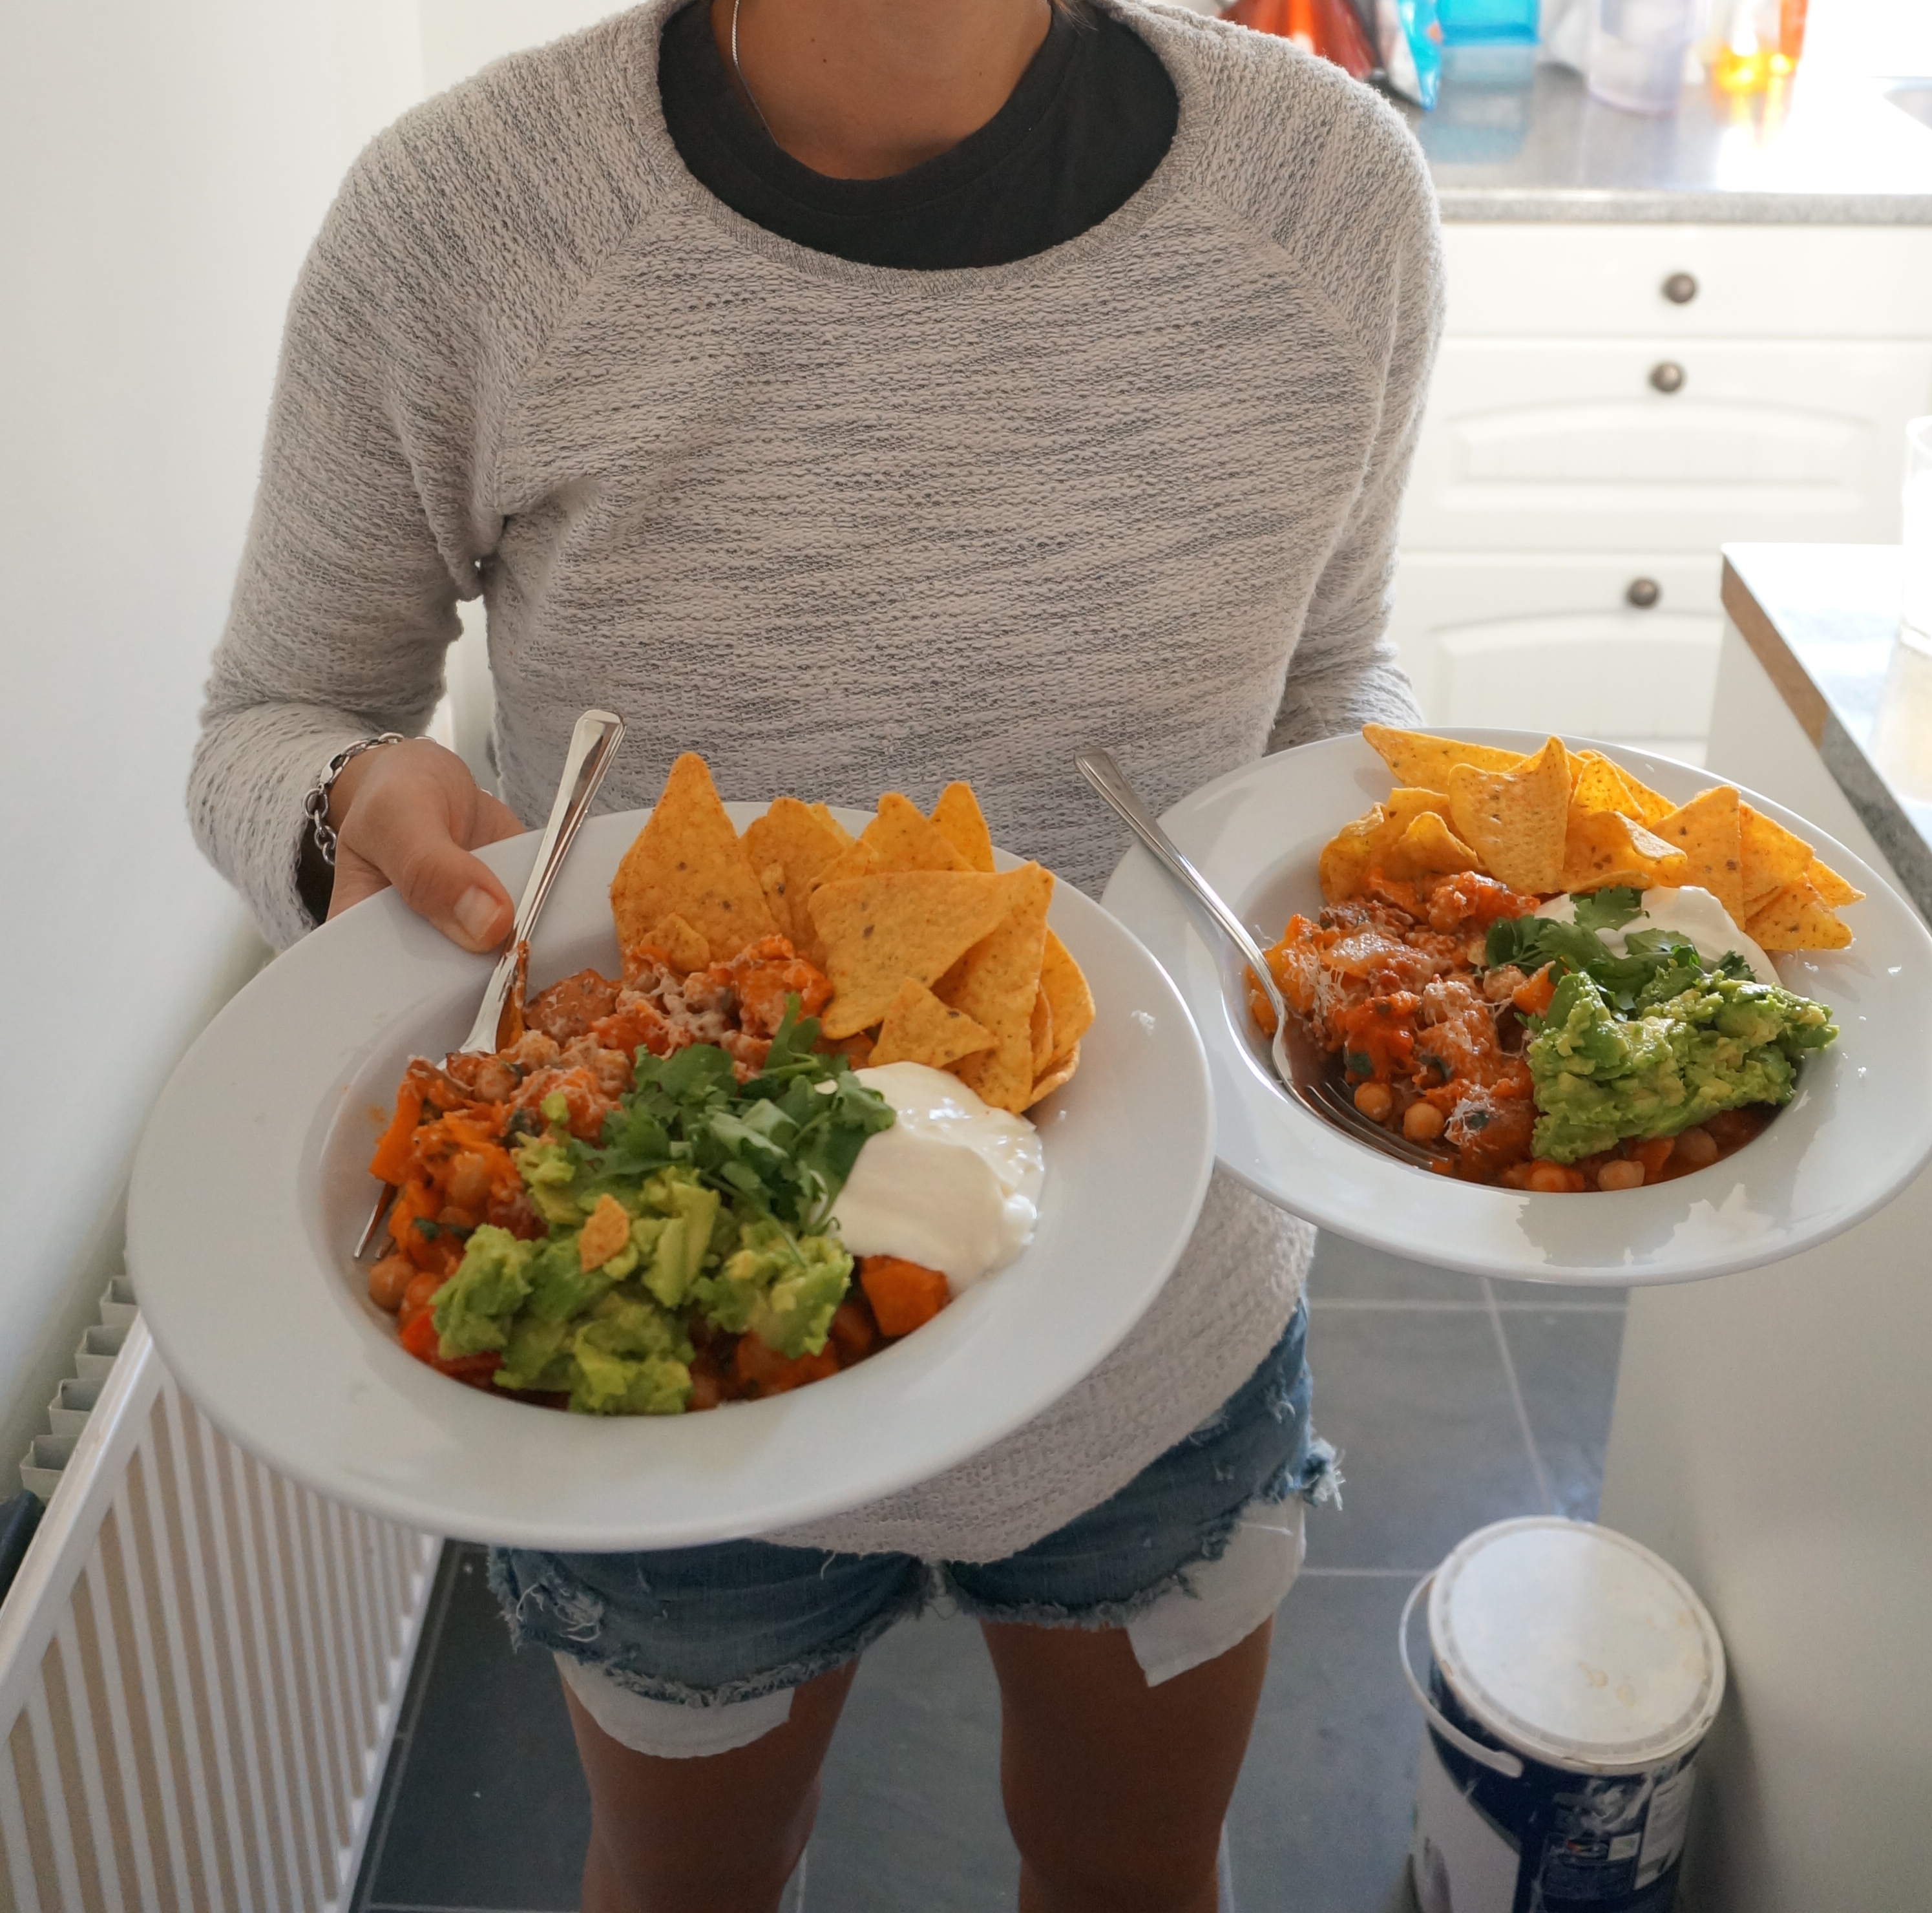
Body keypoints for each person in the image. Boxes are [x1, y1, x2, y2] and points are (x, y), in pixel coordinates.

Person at [190, 1, 1442, 1906]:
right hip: (661, 1395)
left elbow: (1338, 668)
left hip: (1163, 1342)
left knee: (1131, 1863)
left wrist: (1371, 886)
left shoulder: (1330, 195)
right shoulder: (466, 215)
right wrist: (346, 800)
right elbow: (273, 718)